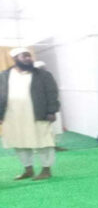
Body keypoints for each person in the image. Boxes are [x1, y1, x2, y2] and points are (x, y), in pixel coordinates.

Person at [0, 48, 60, 180]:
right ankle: (28, 169)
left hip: (38, 114)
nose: (28, 58)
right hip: (12, 116)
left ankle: (46, 170)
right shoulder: (4, 75)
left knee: (44, 141)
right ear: (15, 59)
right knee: (19, 142)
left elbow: (52, 93)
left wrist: (52, 111)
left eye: (29, 56)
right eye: (24, 56)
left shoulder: (43, 75)